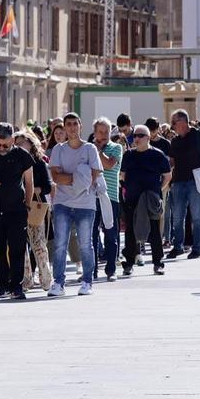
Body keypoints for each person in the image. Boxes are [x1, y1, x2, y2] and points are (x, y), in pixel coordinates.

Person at [48, 113, 103, 297]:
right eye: (68, 124)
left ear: (80, 126)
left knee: (85, 244)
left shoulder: (90, 149)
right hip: (62, 202)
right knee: (60, 244)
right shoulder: (58, 149)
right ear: (64, 127)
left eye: (74, 124)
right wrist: (80, 177)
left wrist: (72, 179)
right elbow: (56, 177)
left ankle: (87, 281)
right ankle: (58, 283)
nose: (72, 127)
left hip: (86, 203)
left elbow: (95, 173)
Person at [0, 123, 34, 300]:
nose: (1, 148)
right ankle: (1, 283)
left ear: (12, 140)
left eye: (5, 145)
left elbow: (29, 182)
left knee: (17, 248)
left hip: (17, 207)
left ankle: (16, 286)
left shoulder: (22, 155)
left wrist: (28, 204)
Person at [120, 126, 170, 274]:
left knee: (154, 231)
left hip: (151, 199)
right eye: (135, 135)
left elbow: (167, 176)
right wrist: (126, 188)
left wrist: (157, 190)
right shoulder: (128, 155)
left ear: (148, 138)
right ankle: (129, 263)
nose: (137, 138)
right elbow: (122, 175)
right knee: (130, 231)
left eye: (141, 135)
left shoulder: (158, 155)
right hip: (133, 198)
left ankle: (158, 262)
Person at [165, 110, 200, 261]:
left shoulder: (198, 135)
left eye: (174, 122)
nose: (172, 126)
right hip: (178, 182)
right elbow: (171, 162)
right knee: (177, 218)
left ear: (183, 121)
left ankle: (197, 248)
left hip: (195, 181)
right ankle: (178, 246)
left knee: (197, 217)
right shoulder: (175, 141)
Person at [15, 130, 52, 291]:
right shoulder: (12, 161)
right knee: (20, 246)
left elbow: (47, 186)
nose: (19, 145)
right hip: (17, 207)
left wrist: (31, 188)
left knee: (38, 243)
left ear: (30, 143)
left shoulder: (38, 162)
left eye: (22, 142)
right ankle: (26, 280)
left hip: (35, 206)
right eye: (16, 143)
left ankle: (46, 279)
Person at [91, 118, 123, 281]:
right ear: (95, 132)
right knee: (92, 235)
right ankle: (92, 270)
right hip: (92, 196)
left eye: (106, 132)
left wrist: (97, 151)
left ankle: (111, 269)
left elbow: (109, 165)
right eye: (100, 132)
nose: (103, 135)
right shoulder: (88, 148)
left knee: (111, 234)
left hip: (110, 197)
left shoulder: (116, 147)